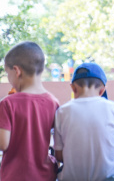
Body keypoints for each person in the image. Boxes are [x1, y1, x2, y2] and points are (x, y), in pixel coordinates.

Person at [53, 63, 114, 180]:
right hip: (107, 178)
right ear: (102, 91)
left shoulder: (62, 112)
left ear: (73, 88)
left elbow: (58, 155)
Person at [0, 41, 59, 181]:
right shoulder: (53, 102)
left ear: (17, 71)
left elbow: (2, 144)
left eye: (8, 74)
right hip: (45, 175)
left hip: (14, 176)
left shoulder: (8, 103)